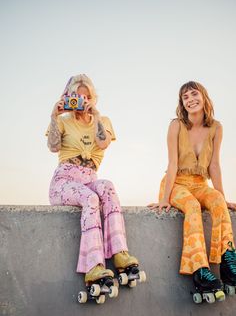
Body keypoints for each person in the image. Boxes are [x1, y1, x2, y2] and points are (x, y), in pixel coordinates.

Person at [46, 74, 139, 288]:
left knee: (106, 187)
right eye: (76, 97)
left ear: (93, 98)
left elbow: (103, 143)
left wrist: (95, 116)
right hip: (64, 182)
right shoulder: (62, 121)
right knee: (91, 199)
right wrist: (53, 116)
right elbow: (53, 146)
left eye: (86, 96)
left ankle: (119, 253)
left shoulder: (103, 121)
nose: (81, 101)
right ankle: (93, 266)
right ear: (68, 97)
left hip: (89, 179)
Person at [148, 81, 236, 297]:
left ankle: (228, 262)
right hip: (177, 183)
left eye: (194, 94)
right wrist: (165, 198)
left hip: (199, 183)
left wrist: (222, 199)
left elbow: (214, 165)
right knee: (193, 207)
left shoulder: (216, 127)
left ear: (204, 96)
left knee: (217, 202)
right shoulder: (176, 125)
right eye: (185, 97)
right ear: (182, 103)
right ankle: (200, 270)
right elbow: (172, 164)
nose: (190, 100)